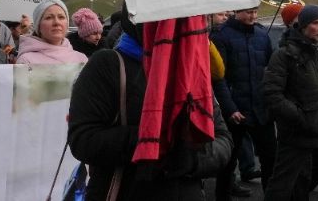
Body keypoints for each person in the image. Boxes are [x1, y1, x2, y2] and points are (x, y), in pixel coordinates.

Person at [68, 16, 233, 200]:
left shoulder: (190, 68)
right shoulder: (107, 64)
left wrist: (191, 157)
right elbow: (82, 139)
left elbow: (223, 140)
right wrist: (150, 140)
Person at [263, 5, 318, 201]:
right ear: (303, 26)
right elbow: (272, 94)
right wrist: (299, 116)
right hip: (297, 135)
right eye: (316, 23)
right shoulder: (284, 55)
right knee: (281, 186)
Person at [210, 6, 277, 200]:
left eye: (255, 12)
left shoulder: (262, 35)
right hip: (235, 111)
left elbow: (271, 69)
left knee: (270, 160)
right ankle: (223, 196)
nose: (253, 16)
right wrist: (230, 109)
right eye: (248, 12)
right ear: (237, 12)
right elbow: (218, 78)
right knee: (228, 162)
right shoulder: (221, 36)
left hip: (260, 109)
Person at [16, 0, 87, 65]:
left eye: (61, 17)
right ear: (38, 25)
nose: (57, 22)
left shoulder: (81, 59)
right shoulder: (26, 61)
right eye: (49, 17)